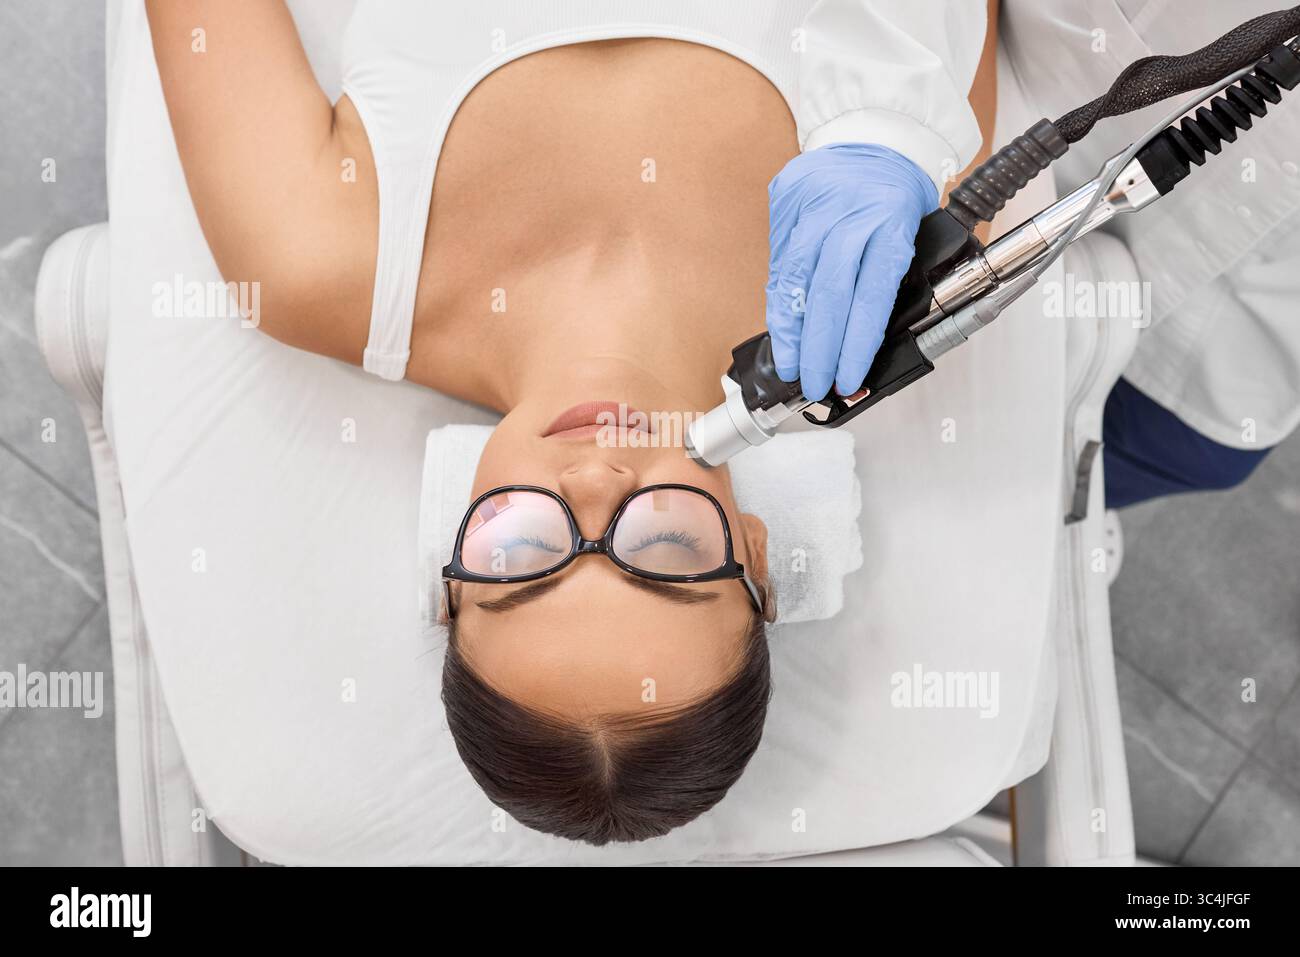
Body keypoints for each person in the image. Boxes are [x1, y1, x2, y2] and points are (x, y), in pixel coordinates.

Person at [144, 0, 991, 844]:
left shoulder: (308, 264)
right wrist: (899, 125)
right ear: (756, 552)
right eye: (662, 545)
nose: (592, 480)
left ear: (451, 572)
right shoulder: (893, 268)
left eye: (521, 552)